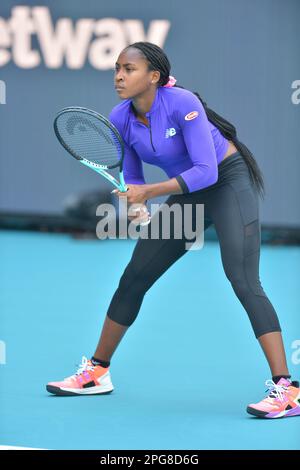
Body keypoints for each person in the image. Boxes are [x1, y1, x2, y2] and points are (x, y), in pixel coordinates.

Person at [47, 42, 300, 419]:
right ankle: (97, 372)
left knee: (244, 281)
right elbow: (130, 174)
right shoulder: (121, 117)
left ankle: (288, 390)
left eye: (128, 69)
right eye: (116, 68)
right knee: (134, 277)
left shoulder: (182, 103)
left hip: (227, 183)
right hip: (188, 196)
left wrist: (150, 191)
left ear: (154, 76)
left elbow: (206, 171)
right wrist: (136, 204)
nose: (118, 75)